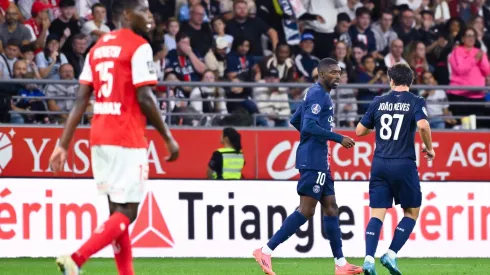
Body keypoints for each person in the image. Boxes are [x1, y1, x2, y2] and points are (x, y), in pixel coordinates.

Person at [48, 1, 180, 274]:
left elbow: (80, 100)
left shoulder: (96, 49)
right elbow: (145, 96)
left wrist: (63, 144)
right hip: (127, 137)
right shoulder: (138, 46)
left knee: (116, 215)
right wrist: (168, 136)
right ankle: (77, 258)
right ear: (127, 15)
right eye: (144, 11)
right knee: (128, 212)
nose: (150, 17)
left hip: (99, 138)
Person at [253, 58, 361, 275]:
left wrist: (312, 137)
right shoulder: (317, 94)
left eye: (339, 72)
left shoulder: (319, 94)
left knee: (331, 207)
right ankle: (265, 250)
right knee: (306, 210)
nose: (337, 76)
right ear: (321, 74)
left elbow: (296, 121)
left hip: (321, 159)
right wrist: (337, 137)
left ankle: (341, 265)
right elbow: (309, 125)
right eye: (332, 72)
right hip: (313, 161)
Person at [355, 63, 435, 275]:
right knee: (411, 212)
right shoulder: (416, 101)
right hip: (404, 163)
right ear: (410, 81)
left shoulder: (378, 101)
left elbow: (360, 131)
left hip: (380, 163)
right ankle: (391, 253)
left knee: (377, 214)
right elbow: (424, 126)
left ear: (391, 80)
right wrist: (429, 148)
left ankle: (369, 259)